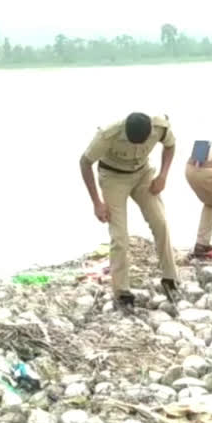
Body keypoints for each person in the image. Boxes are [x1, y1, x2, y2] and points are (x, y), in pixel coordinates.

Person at [79, 112, 180, 307]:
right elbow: (85, 162)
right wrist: (96, 202)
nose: (136, 146)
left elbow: (170, 145)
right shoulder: (108, 135)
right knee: (120, 236)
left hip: (143, 173)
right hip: (113, 177)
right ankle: (122, 291)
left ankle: (170, 277)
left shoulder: (159, 127)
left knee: (160, 222)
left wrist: (163, 176)